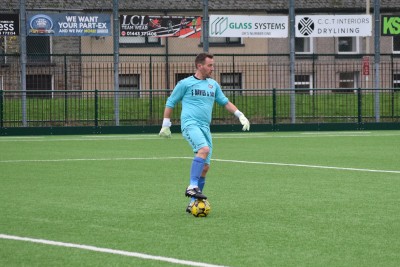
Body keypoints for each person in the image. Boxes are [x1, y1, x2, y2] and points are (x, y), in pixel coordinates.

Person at [159, 52, 250, 213]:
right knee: (204, 150)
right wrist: (166, 124)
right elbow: (171, 101)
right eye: (210, 65)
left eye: (213, 65)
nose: (212, 68)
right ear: (199, 66)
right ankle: (192, 186)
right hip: (190, 124)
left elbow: (225, 102)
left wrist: (240, 115)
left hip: (205, 128)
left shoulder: (213, 85)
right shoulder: (185, 83)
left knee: (205, 167)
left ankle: (193, 202)